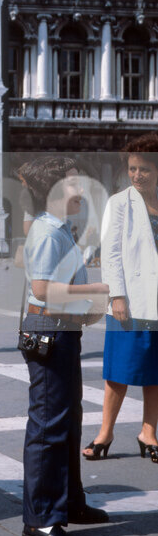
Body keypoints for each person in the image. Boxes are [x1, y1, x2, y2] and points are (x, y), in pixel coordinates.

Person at [17, 157, 110, 536]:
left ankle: (69, 502)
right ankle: (40, 518)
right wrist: (99, 291)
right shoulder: (47, 232)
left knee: (68, 423)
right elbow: (43, 291)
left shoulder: (59, 229)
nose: (80, 190)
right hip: (50, 334)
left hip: (62, 331)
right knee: (49, 427)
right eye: (73, 183)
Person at [83, 133, 158, 464]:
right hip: (130, 300)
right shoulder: (119, 203)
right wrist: (117, 296)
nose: (137, 175)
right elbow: (110, 254)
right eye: (132, 169)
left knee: (155, 371)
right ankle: (106, 431)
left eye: (144, 169)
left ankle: (148, 432)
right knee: (119, 370)